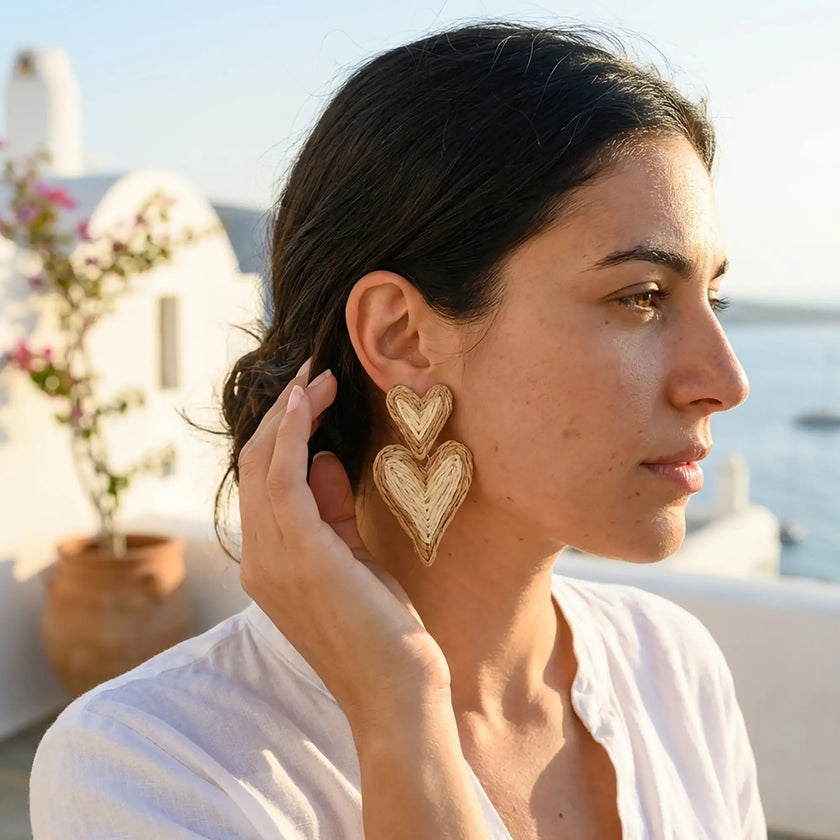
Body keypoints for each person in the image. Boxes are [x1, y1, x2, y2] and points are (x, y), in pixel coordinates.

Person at [29, 22, 767, 839]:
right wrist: (400, 717)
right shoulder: (150, 768)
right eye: (641, 297)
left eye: (715, 299)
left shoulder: (672, 670)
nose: (725, 383)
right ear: (401, 337)